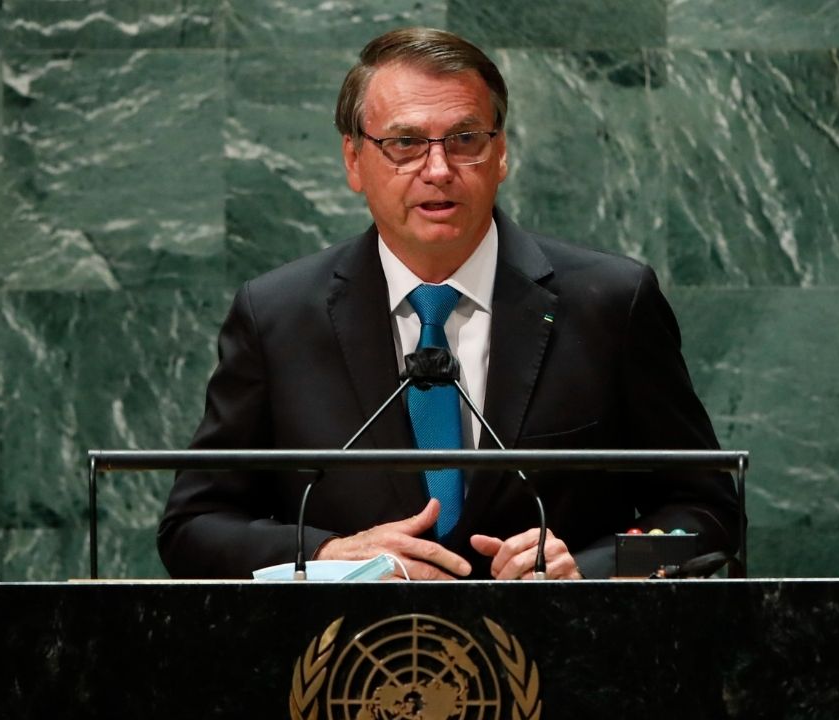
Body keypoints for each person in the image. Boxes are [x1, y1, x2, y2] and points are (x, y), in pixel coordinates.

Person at [158, 27, 740, 580]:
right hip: (351, 668)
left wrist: (588, 570)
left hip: (568, 661)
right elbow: (194, 526)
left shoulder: (610, 304)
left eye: (464, 140)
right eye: (405, 143)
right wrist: (330, 554)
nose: (438, 170)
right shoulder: (277, 317)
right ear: (354, 160)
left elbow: (708, 512)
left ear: (501, 152)